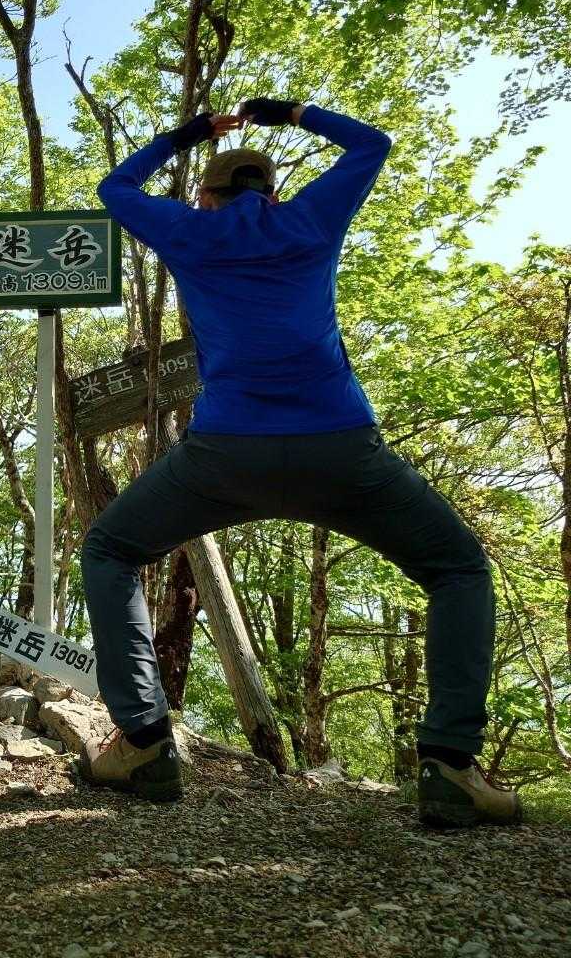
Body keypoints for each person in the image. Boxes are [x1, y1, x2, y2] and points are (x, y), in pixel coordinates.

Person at [80, 99, 520, 830]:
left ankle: (144, 745)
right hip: (341, 448)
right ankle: (450, 765)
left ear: (206, 197)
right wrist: (290, 113)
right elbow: (371, 143)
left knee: (112, 549)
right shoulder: (310, 218)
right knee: (458, 569)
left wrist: (191, 133)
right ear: (274, 192)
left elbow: (115, 188)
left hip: (224, 454)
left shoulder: (190, 230)